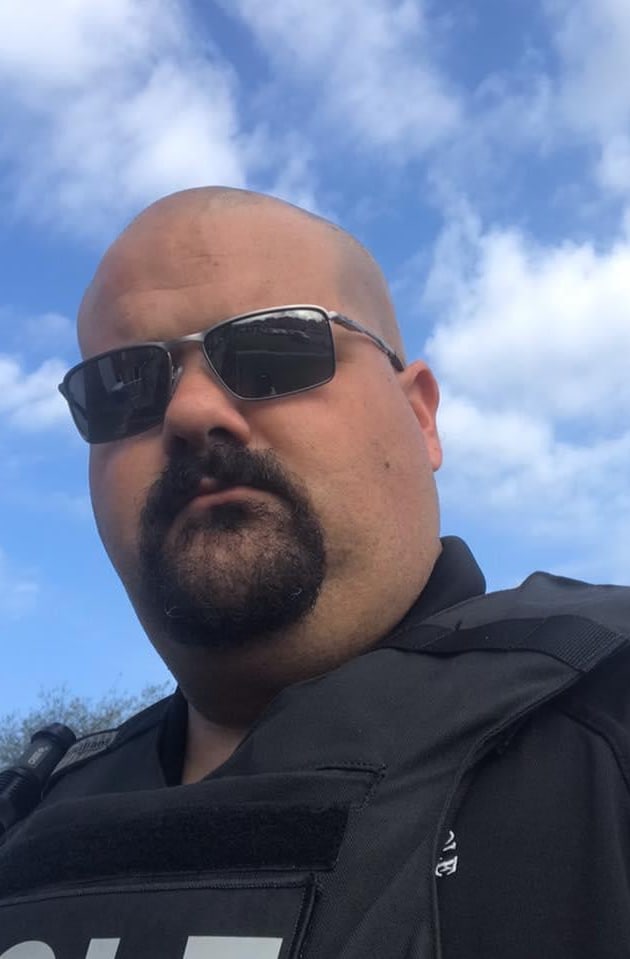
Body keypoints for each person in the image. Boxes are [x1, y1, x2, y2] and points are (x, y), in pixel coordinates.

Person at [1, 187, 629, 959]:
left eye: (272, 348)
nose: (190, 411)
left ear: (420, 415)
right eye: (121, 385)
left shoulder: (609, 705)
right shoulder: (31, 817)